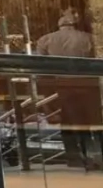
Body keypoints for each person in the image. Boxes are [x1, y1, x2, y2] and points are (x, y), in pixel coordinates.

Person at [36, 10, 98, 170]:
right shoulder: (89, 38)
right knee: (92, 122)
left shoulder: (45, 40)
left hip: (62, 87)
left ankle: (74, 158)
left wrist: (46, 96)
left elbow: (40, 69)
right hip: (88, 86)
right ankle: (95, 155)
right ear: (74, 24)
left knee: (68, 122)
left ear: (59, 25)